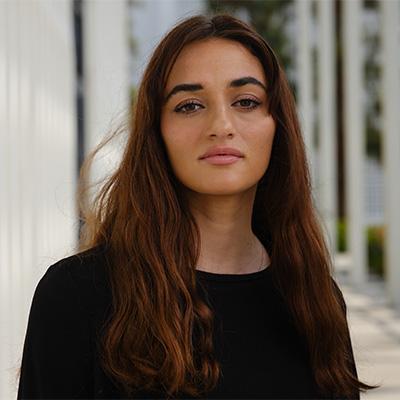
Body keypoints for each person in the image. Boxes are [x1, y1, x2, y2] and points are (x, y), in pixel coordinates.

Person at [17, 13, 377, 400]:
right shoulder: (76, 296)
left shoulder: (314, 299)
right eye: (189, 105)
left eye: (246, 101)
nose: (221, 125)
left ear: (278, 125)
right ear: (157, 133)